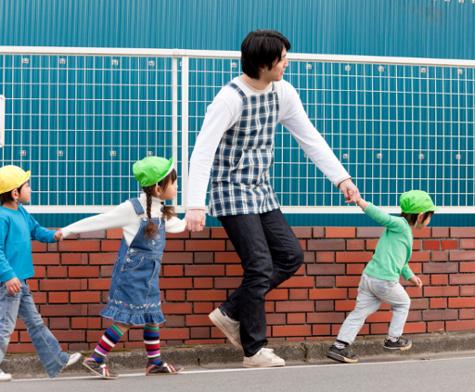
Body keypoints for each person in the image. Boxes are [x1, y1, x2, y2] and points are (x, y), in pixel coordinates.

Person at [185, 30, 360, 368]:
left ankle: (230, 311)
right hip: (231, 191)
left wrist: (342, 178)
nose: (287, 63)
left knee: (289, 256)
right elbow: (203, 151)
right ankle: (253, 350)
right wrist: (195, 203)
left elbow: (309, 137)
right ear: (264, 64)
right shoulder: (229, 99)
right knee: (260, 266)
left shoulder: (283, 92)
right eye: (282, 59)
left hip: (261, 189)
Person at [60, 156, 186, 379]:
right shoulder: (132, 209)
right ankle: (96, 359)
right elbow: (100, 221)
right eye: (173, 182)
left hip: (149, 277)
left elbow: (178, 226)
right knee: (126, 320)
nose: (176, 186)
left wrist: (197, 217)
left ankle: (154, 362)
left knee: (152, 316)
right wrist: (67, 230)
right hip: (132, 276)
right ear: (158, 187)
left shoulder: (162, 212)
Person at [0, 165, 81, 382]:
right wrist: (9, 275)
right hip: (9, 282)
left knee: (35, 323)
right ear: (14, 193)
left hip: (20, 281)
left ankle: (56, 360)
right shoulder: (2, 218)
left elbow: (37, 231)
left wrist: (55, 236)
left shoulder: (21, 212)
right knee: (5, 325)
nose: (30, 189)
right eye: (27, 185)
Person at [326, 190, 436, 363]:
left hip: (369, 278)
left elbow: (401, 261)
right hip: (384, 281)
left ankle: (339, 347)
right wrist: (360, 202)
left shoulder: (400, 230)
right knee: (403, 303)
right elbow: (382, 217)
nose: (430, 220)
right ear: (421, 216)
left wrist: (410, 276)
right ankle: (393, 340)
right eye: (430, 216)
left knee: (359, 312)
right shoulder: (400, 225)